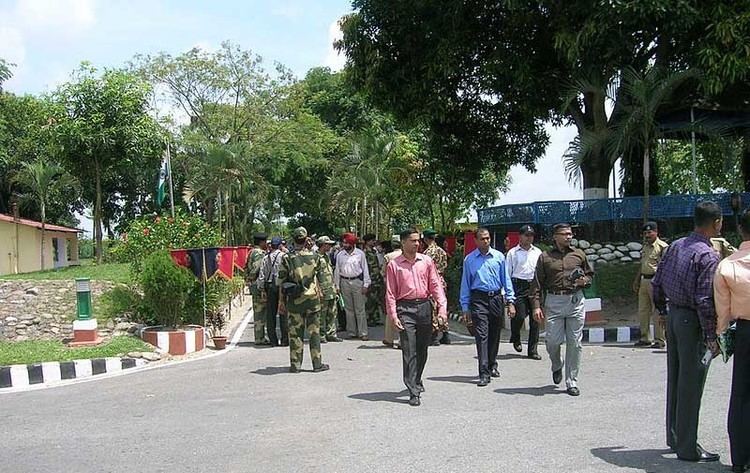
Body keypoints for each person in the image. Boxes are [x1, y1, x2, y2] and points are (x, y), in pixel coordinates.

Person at [652, 201, 723, 463]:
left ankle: (674, 435)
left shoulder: (675, 246)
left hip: (673, 316)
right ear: (716, 223)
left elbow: (657, 283)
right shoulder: (708, 255)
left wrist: (662, 311)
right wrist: (711, 335)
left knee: (676, 378)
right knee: (692, 385)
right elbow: (705, 300)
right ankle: (687, 447)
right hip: (691, 321)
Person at [384, 228, 447, 406]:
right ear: (403, 242)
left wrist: (442, 309)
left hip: (424, 307)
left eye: (418, 240)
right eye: (413, 241)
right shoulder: (394, 265)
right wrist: (393, 315)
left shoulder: (426, 261)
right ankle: (413, 390)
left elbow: (435, 286)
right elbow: (390, 293)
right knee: (409, 349)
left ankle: (417, 378)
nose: (417, 243)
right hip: (405, 308)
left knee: (422, 349)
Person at [530, 223, 593, 396]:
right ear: (555, 236)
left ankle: (571, 381)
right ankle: (557, 364)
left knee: (575, 343)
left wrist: (584, 281)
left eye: (570, 233)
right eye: (564, 234)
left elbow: (589, 274)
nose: (568, 236)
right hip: (554, 301)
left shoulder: (578, 254)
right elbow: (536, 284)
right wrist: (536, 306)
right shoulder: (545, 257)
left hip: (575, 300)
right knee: (552, 342)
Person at [714, 208, 750, 473]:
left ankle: (739, 459)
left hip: (746, 333)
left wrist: (722, 338)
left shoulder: (727, 265)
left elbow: (723, 313)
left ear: (740, 230)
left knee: (741, 395)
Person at [460, 227, 516, 387]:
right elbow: (466, 284)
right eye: (482, 238)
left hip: (496, 298)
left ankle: (492, 364)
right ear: (476, 241)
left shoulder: (499, 257)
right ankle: (483, 372)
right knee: (481, 335)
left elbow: (506, 279)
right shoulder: (469, 260)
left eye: (488, 238)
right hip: (478, 299)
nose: (486, 241)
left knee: (494, 334)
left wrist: (510, 301)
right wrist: (465, 306)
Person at [277, 227, 329, 373]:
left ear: (293, 240)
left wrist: (281, 302)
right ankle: (317, 364)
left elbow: (281, 281)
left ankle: (296, 365)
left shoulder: (287, 258)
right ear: (306, 239)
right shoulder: (315, 257)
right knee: (314, 333)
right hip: (312, 300)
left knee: (295, 333)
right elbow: (322, 278)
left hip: (294, 301)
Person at [505, 225, 542, 360]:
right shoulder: (513, 253)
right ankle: (515, 336)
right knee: (519, 315)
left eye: (531, 235)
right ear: (520, 236)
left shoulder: (537, 252)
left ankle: (532, 350)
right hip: (518, 285)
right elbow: (507, 273)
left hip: (534, 285)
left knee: (535, 319)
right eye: (526, 235)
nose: (529, 238)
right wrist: (507, 294)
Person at [633, 221, 669, 348]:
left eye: (649, 232)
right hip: (644, 280)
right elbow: (642, 264)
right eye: (645, 233)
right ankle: (645, 338)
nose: (647, 235)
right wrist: (637, 280)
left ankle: (660, 340)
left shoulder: (663, 247)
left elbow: (666, 267)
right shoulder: (645, 247)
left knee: (657, 311)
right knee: (643, 310)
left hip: (656, 281)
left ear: (656, 232)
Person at [334, 233, 371, 340]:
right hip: (344, 282)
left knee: (360, 309)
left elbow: (365, 270)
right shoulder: (340, 255)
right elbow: (337, 271)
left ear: (352, 243)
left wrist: (366, 284)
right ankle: (352, 332)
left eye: (346, 243)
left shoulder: (360, 254)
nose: (344, 245)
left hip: (357, 282)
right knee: (348, 309)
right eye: (343, 243)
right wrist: (337, 285)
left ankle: (363, 332)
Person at [423, 228, 451, 346]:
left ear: (425, 239)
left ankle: (433, 336)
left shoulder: (427, 253)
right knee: (442, 307)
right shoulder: (442, 251)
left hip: (432, 282)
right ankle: (445, 334)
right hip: (441, 280)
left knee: (433, 309)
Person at [258, 236, 287, 347]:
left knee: (271, 315)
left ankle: (273, 340)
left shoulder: (266, 258)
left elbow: (262, 275)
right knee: (283, 312)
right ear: (280, 245)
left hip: (270, 286)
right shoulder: (284, 256)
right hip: (282, 286)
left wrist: (262, 290)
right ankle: (285, 339)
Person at [316, 235, 343, 343]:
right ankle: (321, 334)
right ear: (323, 245)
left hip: (330, 288)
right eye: (328, 244)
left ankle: (331, 333)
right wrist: (318, 290)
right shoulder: (316, 257)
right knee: (322, 313)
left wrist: (335, 286)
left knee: (332, 312)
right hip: (323, 289)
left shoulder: (327, 257)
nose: (330, 246)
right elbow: (315, 275)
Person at [245, 233, 270, 346]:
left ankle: (259, 336)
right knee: (260, 312)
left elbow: (246, 267)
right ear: (261, 242)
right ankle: (260, 337)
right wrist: (252, 279)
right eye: (265, 242)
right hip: (258, 285)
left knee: (258, 310)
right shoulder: (259, 253)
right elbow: (257, 268)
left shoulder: (251, 251)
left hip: (254, 284)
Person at [382, 237, 402, 349]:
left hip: (391, 287)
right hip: (404, 287)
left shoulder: (388, 257)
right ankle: (401, 340)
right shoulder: (407, 255)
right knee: (403, 312)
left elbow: (383, 272)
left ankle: (389, 338)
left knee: (390, 311)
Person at [363, 234, 384, 327]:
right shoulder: (365, 253)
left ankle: (375, 317)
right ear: (367, 242)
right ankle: (369, 318)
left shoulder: (373, 251)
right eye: (372, 240)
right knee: (370, 299)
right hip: (370, 278)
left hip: (376, 278)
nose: (374, 242)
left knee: (376, 298)